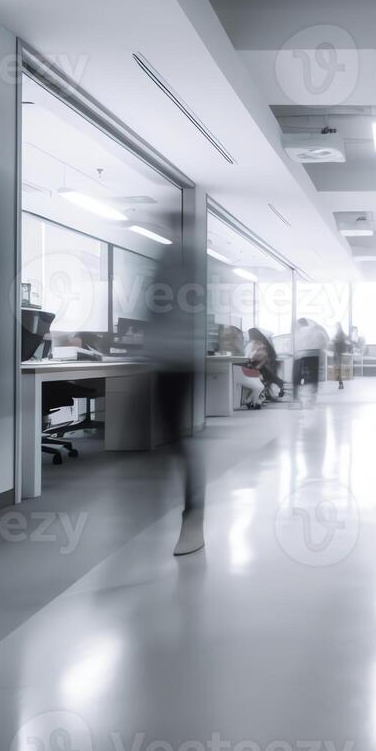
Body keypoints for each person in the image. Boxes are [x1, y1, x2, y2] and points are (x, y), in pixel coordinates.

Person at [146, 238, 208, 556]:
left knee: (175, 441)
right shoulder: (172, 256)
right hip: (164, 359)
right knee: (167, 441)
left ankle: (192, 513)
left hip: (177, 360)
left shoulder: (183, 258)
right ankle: (179, 512)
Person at [292, 318, 329, 406]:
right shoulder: (316, 330)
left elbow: (296, 345)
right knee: (313, 377)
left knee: (298, 377)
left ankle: (297, 397)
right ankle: (312, 398)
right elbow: (323, 342)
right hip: (314, 354)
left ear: (300, 324)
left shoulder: (299, 332)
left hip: (302, 354)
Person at [246, 327, 285, 401]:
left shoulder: (257, 342)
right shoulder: (261, 340)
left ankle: (276, 388)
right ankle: (277, 387)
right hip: (268, 360)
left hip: (268, 360)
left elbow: (258, 355)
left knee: (268, 376)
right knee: (268, 377)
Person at [332, 323, 349, 390]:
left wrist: (335, 340)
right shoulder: (338, 334)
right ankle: (340, 383)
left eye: (336, 326)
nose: (336, 327)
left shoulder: (341, 333)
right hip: (336, 353)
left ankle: (340, 383)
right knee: (337, 369)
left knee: (338, 368)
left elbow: (340, 341)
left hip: (338, 353)